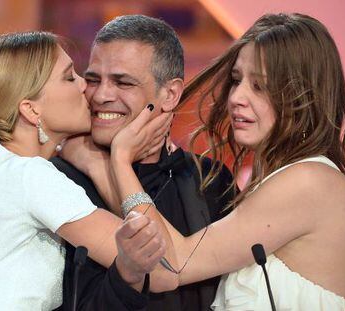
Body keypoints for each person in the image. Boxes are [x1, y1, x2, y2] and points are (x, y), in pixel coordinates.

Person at [112, 13, 345, 310]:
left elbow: (172, 265)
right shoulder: (282, 179)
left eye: (260, 86)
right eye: (237, 80)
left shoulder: (308, 181)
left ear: (304, 94)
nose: (237, 97)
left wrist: (117, 161)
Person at [0, 31, 180, 310]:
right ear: (30, 109)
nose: (85, 87)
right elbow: (164, 271)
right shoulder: (31, 177)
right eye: (68, 77)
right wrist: (119, 161)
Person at [52, 15, 234, 311]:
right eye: (94, 79)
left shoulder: (210, 180)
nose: (101, 95)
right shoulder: (60, 179)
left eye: (122, 82)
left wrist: (116, 163)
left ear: (170, 94)